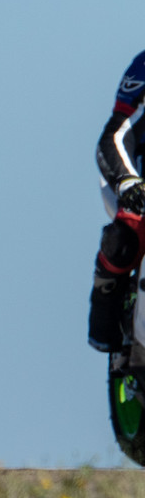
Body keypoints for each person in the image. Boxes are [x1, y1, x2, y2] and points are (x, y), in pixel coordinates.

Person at [91, 50, 145, 351]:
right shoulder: (144, 68)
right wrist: (128, 180)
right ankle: (103, 317)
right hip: (137, 179)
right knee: (125, 235)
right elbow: (113, 135)